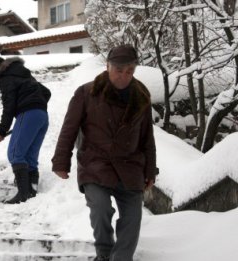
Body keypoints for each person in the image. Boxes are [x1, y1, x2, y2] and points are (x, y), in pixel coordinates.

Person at [51, 44, 158, 261]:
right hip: (96, 164)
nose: (124, 76)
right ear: (108, 66)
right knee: (100, 210)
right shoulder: (87, 92)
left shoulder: (141, 95)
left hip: (130, 167)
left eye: (129, 71)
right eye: (119, 70)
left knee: (132, 219)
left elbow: (147, 137)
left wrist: (150, 171)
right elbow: (69, 128)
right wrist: (61, 161)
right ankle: (104, 253)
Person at [0, 56, 51, 204]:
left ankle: (23, 193)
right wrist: (37, 104)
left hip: (28, 114)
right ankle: (31, 190)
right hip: (42, 116)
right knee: (29, 156)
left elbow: (8, 107)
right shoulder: (23, 74)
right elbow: (46, 92)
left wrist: (2, 131)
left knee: (15, 153)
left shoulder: (6, 78)